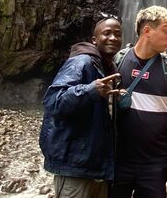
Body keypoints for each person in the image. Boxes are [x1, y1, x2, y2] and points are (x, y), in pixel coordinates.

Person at [39, 17, 123, 198]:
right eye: (107, 33)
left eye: (117, 34)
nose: (113, 38)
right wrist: (90, 90)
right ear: (94, 40)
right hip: (75, 169)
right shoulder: (81, 63)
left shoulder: (109, 68)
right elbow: (53, 100)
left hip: (97, 168)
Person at [112, 6, 167, 198]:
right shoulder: (118, 62)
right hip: (119, 161)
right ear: (147, 31)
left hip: (155, 165)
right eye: (165, 30)